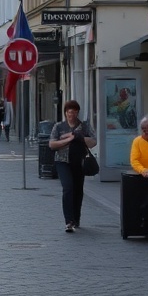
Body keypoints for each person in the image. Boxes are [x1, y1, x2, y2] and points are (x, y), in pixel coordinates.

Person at [49, 99, 97, 233]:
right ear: (65, 113)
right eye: (70, 112)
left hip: (79, 162)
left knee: (77, 190)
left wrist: (80, 137)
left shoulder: (84, 126)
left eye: (75, 112)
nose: (72, 115)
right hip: (62, 161)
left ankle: (76, 218)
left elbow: (93, 142)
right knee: (68, 187)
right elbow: (52, 144)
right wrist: (69, 139)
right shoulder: (59, 127)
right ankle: (69, 221)